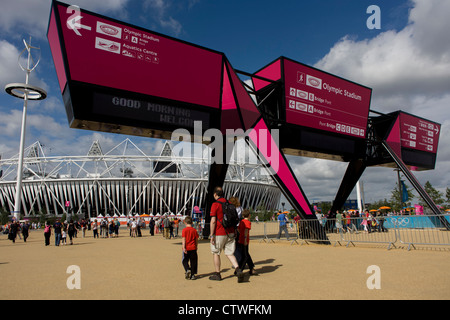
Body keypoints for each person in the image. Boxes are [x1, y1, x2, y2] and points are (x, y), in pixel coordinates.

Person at [209, 186, 243, 282]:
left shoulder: (215, 204)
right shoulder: (230, 204)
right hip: (230, 232)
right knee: (229, 253)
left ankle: (217, 274)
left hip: (219, 232)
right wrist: (235, 230)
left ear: (215, 194)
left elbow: (213, 221)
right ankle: (238, 269)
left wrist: (212, 235)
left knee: (216, 252)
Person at [237, 210, 256, 275]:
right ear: (249, 215)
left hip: (240, 239)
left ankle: (251, 268)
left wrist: (241, 235)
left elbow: (238, 229)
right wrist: (245, 238)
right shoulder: (248, 222)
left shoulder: (241, 221)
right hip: (245, 240)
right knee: (245, 255)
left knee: (244, 254)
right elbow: (246, 230)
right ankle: (240, 269)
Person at [182, 216, 199, 280]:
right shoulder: (194, 230)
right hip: (193, 247)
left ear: (185, 223)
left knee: (185, 260)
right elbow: (196, 239)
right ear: (192, 222)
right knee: (193, 261)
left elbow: (184, 239)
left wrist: (183, 247)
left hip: (187, 247)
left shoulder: (184, 230)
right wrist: (196, 246)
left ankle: (187, 269)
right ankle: (192, 275)